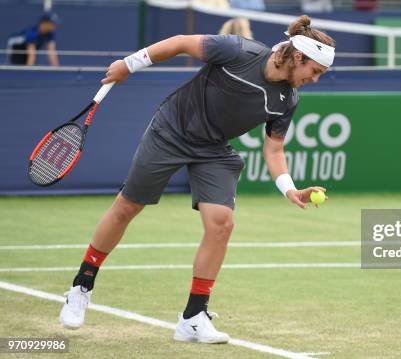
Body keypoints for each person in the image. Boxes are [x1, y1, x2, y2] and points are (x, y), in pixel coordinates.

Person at [59, 15, 335, 344]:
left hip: (212, 148)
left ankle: (193, 317)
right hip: (171, 130)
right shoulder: (238, 51)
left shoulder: (287, 100)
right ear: (298, 57)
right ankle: (82, 285)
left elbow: (274, 149)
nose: (315, 80)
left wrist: (290, 190)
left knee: (222, 223)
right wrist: (128, 65)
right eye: (315, 72)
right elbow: (178, 43)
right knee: (127, 208)